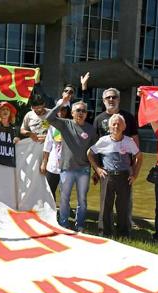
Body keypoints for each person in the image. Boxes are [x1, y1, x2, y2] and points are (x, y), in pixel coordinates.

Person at [43, 93, 97, 231]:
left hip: (84, 169)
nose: (81, 113)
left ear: (86, 114)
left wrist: (97, 170)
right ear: (72, 113)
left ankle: (80, 225)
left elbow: (95, 151)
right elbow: (49, 118)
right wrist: (61, 103)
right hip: (66, 168)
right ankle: (64, 223)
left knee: (82, 200)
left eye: (84, 111)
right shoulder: (65, 124)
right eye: (78, 110)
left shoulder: (91, 129)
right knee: (64, 199)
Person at [87, 114, 142, 237]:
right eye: (114, 124)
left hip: (124, 177)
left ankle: (123, 233)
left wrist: (135, 175)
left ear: (124, 126)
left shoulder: (129, 141)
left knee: (123, 207)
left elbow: (139, 157)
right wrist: (97, 169)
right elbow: (89, 153)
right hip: (107, 176)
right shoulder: (103, 141)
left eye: (119, 124)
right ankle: (105, 233)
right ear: (109, 127)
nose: (116, 126)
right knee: (106, 206)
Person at [94, 88, 140, 228]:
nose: (111, 100)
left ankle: (125, 225)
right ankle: (105, 227)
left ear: (119, 99)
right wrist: (96, 169)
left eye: (114, 97)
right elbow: (94, 148)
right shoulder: (99, 119)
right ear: (103, 100)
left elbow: (135, 141)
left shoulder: (128, 117)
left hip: (125, 168)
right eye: (108, 97)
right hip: (106, 170)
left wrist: (133, 167)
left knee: (125, 200)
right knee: (105, 200)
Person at [40, 105, 72, 199]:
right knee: (49, 190)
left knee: (65, 192)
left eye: (64, 109)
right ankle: (52, 211)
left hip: (67, 165)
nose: (61, 112)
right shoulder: (51, 126)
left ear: (68, 111)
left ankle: (64, 212)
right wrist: (44, 162)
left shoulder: (72, 124)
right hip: (53, 164)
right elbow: (47, 145)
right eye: (59, 109)